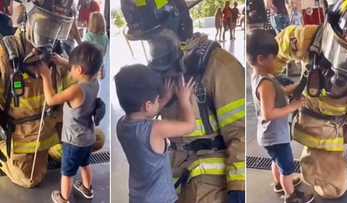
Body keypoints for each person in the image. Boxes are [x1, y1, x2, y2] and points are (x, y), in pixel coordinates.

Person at [121, 0, 245, 202]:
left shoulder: (220, 67)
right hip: (175, 179)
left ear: (177, 26)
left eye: (157, 40)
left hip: (210, 187)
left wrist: (239, 189)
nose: (155, 50)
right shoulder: (168, 70)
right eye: (149, 42)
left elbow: (240, 133)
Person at [0, 0, 105, 189]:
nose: (52, 33)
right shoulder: (5, 54)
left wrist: (93, 102)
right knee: (30, 178)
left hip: (55, 128)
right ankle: (10, 154)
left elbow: (76, 85)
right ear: (26, 16)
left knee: (94, 139)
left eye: (58, 26)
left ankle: (47, 154)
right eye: (48, 24)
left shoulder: (59, 52)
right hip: (24, 135)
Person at [273, 0, 347, 199]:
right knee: (334, 185)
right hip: (320, 122)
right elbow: (274, 51)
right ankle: (317, 161)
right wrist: (274, 89)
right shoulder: (306, 38)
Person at [247, 29, 314, 203]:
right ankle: (291, 195)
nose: (277, 61)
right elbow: (268, 113)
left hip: (269, 136)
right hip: (276, 136)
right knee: (287, 167)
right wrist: (293, 106)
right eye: (273, 57)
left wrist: (298, 85)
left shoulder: (261, 76)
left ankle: (279, 183)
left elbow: (281, 90)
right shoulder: (266, 83)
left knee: (276, 161)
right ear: (261, 59)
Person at [115, 64, 196, 203]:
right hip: (162, 199)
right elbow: (190, 125)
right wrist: (184, 100)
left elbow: (145, 115)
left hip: (137, 197)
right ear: (147, 105)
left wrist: (163, 99)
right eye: (157, 99)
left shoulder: (121, 124)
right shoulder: (156, 129)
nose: (160, 101)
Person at [37, 42, 103, 203]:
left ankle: (64, 198)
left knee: (67, 173)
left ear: (79, 70)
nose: (70, 69)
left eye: (72, 67)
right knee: (85, 164)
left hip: (73, 141)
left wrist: (45, 76)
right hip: (88, 137)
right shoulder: (95, 82)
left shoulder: (76, 90)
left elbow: (51, 99)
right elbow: (81, 72)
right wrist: (62, 61)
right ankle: (88, 189)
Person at [83, 11, 109, 79]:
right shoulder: (105, 37)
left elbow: (83, 52)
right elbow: (104, 53)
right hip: (98, 65)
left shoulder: (88, 36)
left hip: (88, 66)